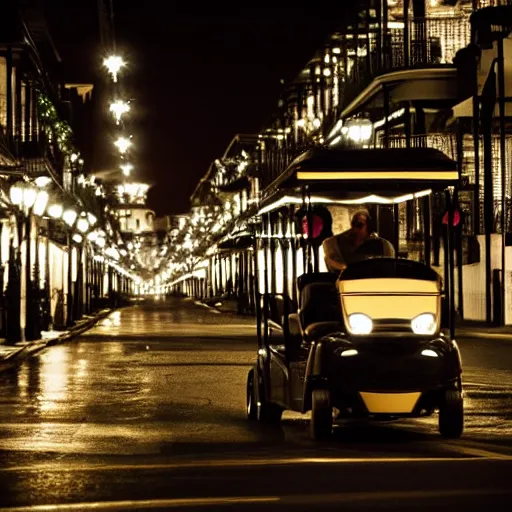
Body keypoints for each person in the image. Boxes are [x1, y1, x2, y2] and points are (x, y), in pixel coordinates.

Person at [322, 209, 395, 273]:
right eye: (353, 225)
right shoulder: (333, 245)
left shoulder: (384, 246)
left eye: (360, 225)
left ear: (368, 228)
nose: (355, 230)